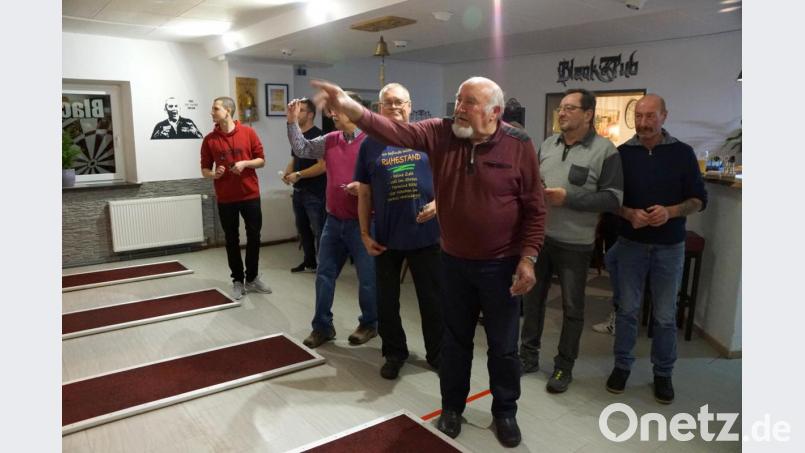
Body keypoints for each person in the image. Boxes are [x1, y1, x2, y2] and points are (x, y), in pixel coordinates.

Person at [311, 76, 546, 448]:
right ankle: (452, 407)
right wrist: (350, 107)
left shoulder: (519, 145)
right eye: (458, 99)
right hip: (453, 261)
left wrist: (528, 258)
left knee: (503, 346)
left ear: (495, 112)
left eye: (470, 102)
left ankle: (505, 411)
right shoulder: (439, 133)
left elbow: (535, 207)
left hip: (500, 266)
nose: (459, 108)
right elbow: (392, 131)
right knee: (454, 341)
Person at [605, 94, 707, 404]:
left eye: (651, 116)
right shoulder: (620, 154)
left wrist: (671, 212)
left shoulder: (683, 153)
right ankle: (622, 366)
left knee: (664, 315)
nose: (644, 122)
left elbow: (699, 200)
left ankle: (663, 373)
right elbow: (609, 199)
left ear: (664, 116)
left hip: (669, 247)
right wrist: (627, 213)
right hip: (630, 245)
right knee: (627, 311)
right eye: (639, 116)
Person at [519, 89, 623, 394]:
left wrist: (569, 197)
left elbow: (613, 199)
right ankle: (527, 357)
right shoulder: (548, 144)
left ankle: (564, 367)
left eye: (569, 108)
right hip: (540, 238)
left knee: (572, 307)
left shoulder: (606, 152)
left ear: (588, 114)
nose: (561, 113)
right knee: (532, 300)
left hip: (575, 244)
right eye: (560, 109)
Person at [354, 83, 443, 380]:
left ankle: (438, 353)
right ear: (380, 109)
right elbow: (364, 193)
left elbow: (453, 180)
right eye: (388, 103)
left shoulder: (427, 139)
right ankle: (394, 353)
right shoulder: (368, 144)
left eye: (399, 102)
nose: (394, 107)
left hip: (426, 237)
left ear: (410, 106)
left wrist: (439, 204)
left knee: (432, 300)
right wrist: (365, 234)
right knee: (386, 302)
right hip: (386, 239)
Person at [286, 93, 378, 349]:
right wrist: (292, 123)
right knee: (324, 275)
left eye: (337, 110)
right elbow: (302, 148)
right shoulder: (330, 140)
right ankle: (322, 326)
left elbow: (386, 182)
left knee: (368, 279)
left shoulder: (373, 143)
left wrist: (365, 189)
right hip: (334, 220)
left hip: (365, 224)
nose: (332, 114)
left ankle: (370, 323)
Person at [200, 96, 272, 299]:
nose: (212, 112)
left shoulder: (248, 132)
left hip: (250, 194)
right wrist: (214, 174)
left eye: (215, 108)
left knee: (254, 237)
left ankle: (253, 278)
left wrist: (245, 164)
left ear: (228, 111)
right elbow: (205, 169)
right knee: (231, 239)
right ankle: (238, 280)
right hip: (225, 198)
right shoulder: (209, 140)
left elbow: (261, 161)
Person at [281, 98, 326, 273]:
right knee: (303, 229)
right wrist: (287, 173)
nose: (296, 113)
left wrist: (299, 175)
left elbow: (322, 166)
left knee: (319, 230)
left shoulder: (318, 135)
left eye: (300, 110)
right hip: (299, 192)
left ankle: (323, 266)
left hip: (315, 192)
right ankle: (309, 262)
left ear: (310, 114)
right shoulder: (298, 135)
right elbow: (295, 158)